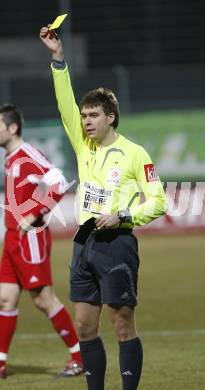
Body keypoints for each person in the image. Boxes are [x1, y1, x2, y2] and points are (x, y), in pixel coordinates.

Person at [40, 26, 168, 390]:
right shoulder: (84, 147)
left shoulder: (134, 153)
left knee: (122, 321)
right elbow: (64, 102)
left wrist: (125, 216)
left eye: (93, 116)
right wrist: (58, 59)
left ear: (110, 116)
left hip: (118, 243)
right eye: (84, 117)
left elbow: (158, 199)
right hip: (85, 243)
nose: (86, 122)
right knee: (84, 324)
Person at [0, 104, 83, 379]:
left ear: (12, 128)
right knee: (5, 300)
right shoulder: (11, 158)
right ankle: (0, 363)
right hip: (12, 239)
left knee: (44, 300)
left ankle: (79, 357)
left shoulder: (27, 154)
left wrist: (34, 214)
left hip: (29, 239)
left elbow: (59, 182)